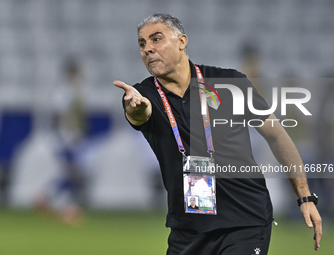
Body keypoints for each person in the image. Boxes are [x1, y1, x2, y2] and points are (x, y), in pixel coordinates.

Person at [114, 14, 322, 254]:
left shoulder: (230, 82)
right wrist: (135, 108)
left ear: (182, 41)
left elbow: (277, 136)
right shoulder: (142, 95)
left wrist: (305, 196)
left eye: (156, 39)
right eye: (142, 43)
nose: (148, 49)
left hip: (245, 221)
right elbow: (139, 113)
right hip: (188, 229)